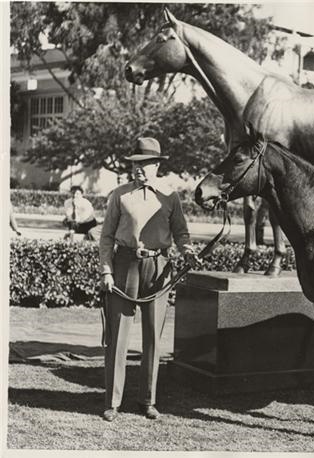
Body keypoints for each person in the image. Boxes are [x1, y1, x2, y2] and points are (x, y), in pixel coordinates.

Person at [99, 137, 195, 422]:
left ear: (156, 166)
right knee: (118, 338)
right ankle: (112, 403)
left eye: (144, 164)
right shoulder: (119, 195)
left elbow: (181, 233)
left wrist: (187, 251)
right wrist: (106, 271)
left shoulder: (170, 196)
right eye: (135, 164)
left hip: (159, 268)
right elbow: (105, 237)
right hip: (124, 265)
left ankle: (147, 401)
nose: (138, 169)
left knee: (153, 338)